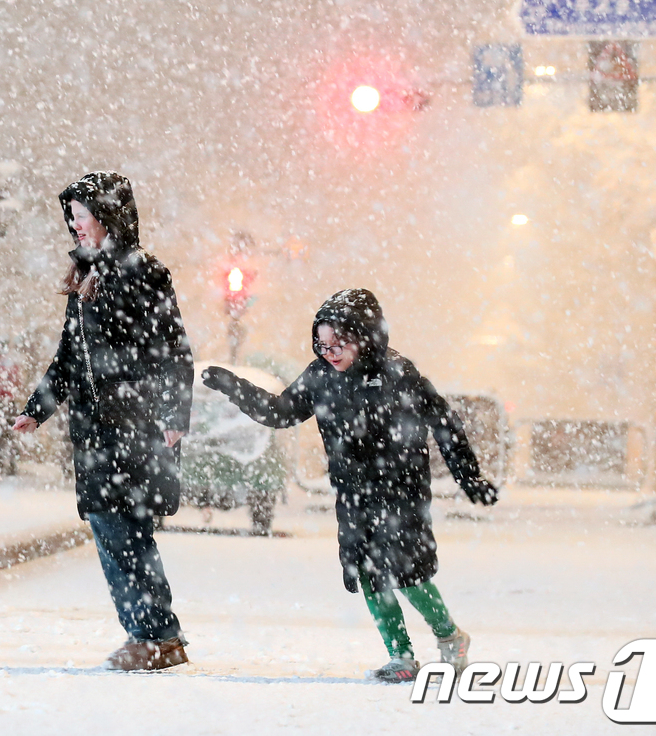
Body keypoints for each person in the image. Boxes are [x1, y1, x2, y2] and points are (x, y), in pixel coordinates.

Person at [201, 288, 499, 683]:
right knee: (369, 571)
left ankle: (450, 636)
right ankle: (401, 657)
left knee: (407, 573)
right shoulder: (320, 375)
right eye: (322, 345)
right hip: (354, 492)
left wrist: (469, 476)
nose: (330, 353)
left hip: (402, 490)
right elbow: (281, 412)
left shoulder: (398, 373)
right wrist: (235, 386)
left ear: (364, 337)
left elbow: (444, 422)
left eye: (338, 344)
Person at [13, 172, 193, 672]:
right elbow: (69, 358)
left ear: (108, 215)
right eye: (70, 215)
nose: (74, 223)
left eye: (82, 213)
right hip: (95, 431)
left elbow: (174, 351)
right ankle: (154, 636)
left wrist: (175, 414)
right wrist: (37, 409)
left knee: (125, 531)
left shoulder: (144, 273)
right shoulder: (86, 275)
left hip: (135, 426)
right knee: (110, 528)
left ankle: (155, 634)